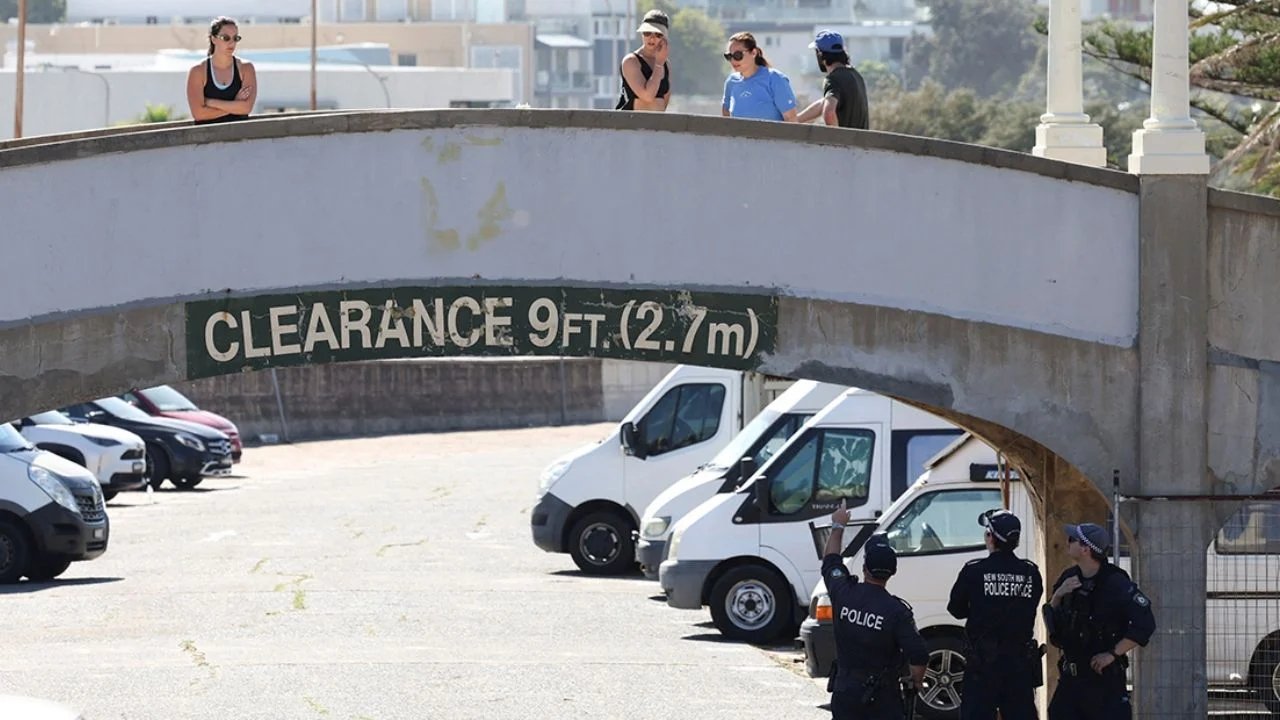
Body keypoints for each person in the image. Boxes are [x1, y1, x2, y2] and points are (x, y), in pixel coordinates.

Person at [822, 500, 928, 720]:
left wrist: (838, 525)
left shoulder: (843, 592)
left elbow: (831, 561)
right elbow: (918, 655)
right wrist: (916, 682)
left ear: (864, 568)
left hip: (846, 693)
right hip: (882, 698)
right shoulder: (897, 612)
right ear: (893, 572)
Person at [1044, 523, 1156, 720]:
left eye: (1072, 540)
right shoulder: (1069, 577)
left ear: (1086, 549)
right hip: (1071, 680)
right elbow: (1053, 620)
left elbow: (1145, 623)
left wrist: (1113, 653)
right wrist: (1059, 594)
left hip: (1104, 681)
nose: (1067, 543)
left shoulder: (1116, 582)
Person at [946, 509, 1045, 720]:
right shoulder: (1031, 573)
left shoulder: (973, 571)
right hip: (1019, 664)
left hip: (983, 665)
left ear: (990, 537)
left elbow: (956, 610)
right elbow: (1030, 606)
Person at [187, 16, 257, 125]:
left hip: (240, 138)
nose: (232, 43)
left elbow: (246, 108)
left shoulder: (246, 69)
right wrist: (235, 104)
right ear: (213, 39)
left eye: (235, 38)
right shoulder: (198, 71)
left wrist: (210, 102)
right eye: (226, 38)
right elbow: (199, 114)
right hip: (207, 139)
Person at [795, 29, 869, 129]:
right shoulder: (855, 75)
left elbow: (829, 113)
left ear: (820, 55)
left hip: (845, 143)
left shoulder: (833, 79)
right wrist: (795, 120)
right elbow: (824, 103)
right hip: (861, 142)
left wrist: (836, 141)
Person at [721, 32, 798, 122]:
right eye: (729, 56)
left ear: (753, 53)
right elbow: (725, 113)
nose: (733, 60)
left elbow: (791, 120)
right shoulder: (731, 82)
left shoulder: (775, 79)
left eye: (737, 55)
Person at [616, 10, 672, 112]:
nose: (652, 38)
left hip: (657, 124)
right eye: (647, 33)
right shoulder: (631, 61)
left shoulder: (666, 64)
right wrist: (658, 65)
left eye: (658, 34)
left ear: (664, 38)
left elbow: (665, 100)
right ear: (642, 34)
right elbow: (647, 96)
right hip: (632, 124)